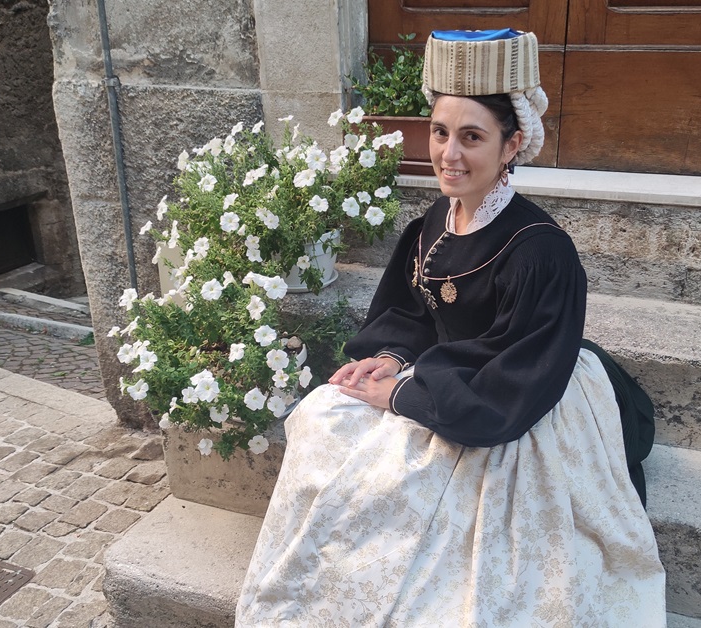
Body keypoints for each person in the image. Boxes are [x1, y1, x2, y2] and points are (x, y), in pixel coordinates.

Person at [237, 29, 666, 626]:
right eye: (440, 133)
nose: (449, 155)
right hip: (449, 379)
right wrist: (388, 357)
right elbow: (412, 310)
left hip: (516, 390)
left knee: (442, 491)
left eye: (472, 137)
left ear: (511, 144)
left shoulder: (542, 252)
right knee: (322, 416)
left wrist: (406, 393)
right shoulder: (437, 219)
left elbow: (509, 382)